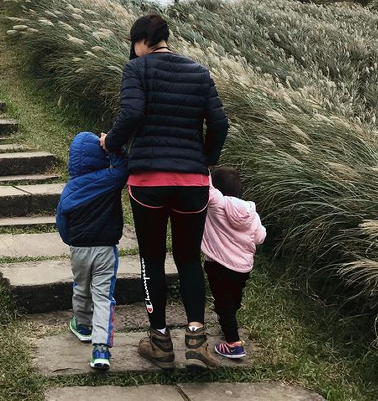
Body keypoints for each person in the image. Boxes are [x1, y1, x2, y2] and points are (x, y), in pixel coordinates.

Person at [100, 14, 229, 369]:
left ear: (141, 40)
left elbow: (131, 113)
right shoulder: (199, 72)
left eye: (133, 44)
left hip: (149, 183)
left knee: (152, 258)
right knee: (188, 258)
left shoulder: (136, 69)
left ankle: (159, 339)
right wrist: (204, 159)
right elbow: (219, 123)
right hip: (192, 185)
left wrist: (111, 142)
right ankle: (196, 338)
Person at [56, 131, 129, 370]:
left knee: (81, 287)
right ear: (100, 156)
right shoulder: (110, 178)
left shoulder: (70, 189)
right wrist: (112, 146)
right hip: (105, 250)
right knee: (103, 296)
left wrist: (70, 241)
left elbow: (62, 220)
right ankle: (101, 348)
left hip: (78, 249)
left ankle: (83, 325)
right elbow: (124, 167)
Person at [201, 167, 266, 359]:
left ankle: (233, 344)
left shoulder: (217, 204)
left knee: (223, 303)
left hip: (218, 264)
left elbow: (207, 188)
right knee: (234, 298)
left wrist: (204, 166)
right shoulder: (251, 211)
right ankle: (228, 321)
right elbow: (260, 237)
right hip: (243, 268)